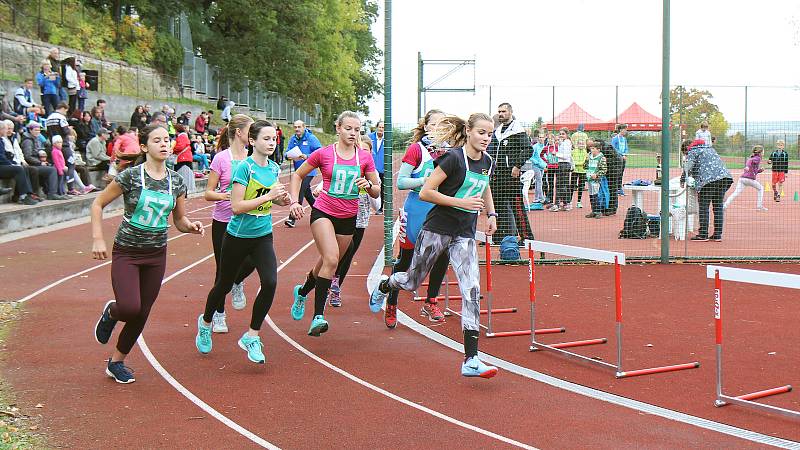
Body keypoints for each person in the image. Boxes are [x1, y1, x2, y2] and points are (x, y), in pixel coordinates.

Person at [369, 113, 499, 379]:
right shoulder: (453, 158)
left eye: (490, 134)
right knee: (411, 282)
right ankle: (387, 284)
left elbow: (485, 187)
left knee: (472, 290)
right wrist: (460, 203)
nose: (486, 138)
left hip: (464, 233)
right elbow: (427, 191)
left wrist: (492, 214)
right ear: (469, 132)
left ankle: (471, 358)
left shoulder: (487, 161)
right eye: (482, 133)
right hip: (437, 229)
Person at [91, 124, 203, 383]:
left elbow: (180, 220)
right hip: (127, 252)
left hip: (156, 255)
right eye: (157, 140)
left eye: (167, 140)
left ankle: (116, 362)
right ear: (144, 146)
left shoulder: (176, 181)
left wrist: (191, 227)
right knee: (130, 307)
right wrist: (98, 238)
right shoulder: (130, 177)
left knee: (142, 312)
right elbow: (98, 203)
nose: (164, 144)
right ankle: (112, 312)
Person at [195, 120, 289, 363]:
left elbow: (272, 199)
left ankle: (252, 335)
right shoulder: (244, 169)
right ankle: (206, 322)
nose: (271, 143)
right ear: (253, 141)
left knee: (269, 282)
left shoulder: (274, 168)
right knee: (223, 284)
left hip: (262, 234)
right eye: (266, 139)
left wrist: (282, 200)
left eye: (273, 139)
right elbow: (236, 207)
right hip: (237, 236)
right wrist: (268, 195)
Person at [288, 111, 380, 336]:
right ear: (338, 128)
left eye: (357, 130)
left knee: (326, 264)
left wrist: (367, 184)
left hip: (349, 217)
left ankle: (302, 292)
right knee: (331, 259)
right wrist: (293, 201)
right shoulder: (324, 153)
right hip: (323, 212)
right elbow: (298, 175)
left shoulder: (364, 158)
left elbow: (377, 191)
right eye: (348, 128)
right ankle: (318, 317)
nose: (353, 133)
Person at [383, 109, 452, 327]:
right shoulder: (417, 149)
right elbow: (401, 182)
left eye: (445, 124)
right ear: (427, 126)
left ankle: (431, 301)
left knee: (442, 254)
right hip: (417, 210)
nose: (440, 128)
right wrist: (425, 180)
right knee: (407, 260)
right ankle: (392, 300)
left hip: (441, 209)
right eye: (436, 124)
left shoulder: (452, 151)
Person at [203, 115, 259, 332]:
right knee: (221, 271)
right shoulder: (221, 159)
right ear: (239, 132)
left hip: (247, 220)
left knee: (253, 260)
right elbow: (208, 192)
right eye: (250, 131)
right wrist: (224, 196)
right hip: (224, 221)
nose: (253, 135)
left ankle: (237, 281)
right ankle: (219, 314)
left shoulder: (253, 158)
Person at [324, 134, 374, 309]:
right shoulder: (344, 167)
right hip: (340, 215)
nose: (361, 153)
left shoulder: (369, 172)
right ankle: (323, 284)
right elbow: (328, 182)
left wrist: (367, 186)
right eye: (360, 149)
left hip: (359, 220)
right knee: (334, 255)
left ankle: (335, 287)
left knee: (347, 256)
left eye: (366, 150)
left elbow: (377, 201)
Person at [487, 103, 533, 243]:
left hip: (511, 175)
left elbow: (528, 150)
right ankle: (499, 236)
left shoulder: (517, 130)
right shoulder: (498, 131)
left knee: (517, 206)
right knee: (497, 206)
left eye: (504, 111)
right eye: (499, 111)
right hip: (497, 175)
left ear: (511, 112)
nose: (501, 114)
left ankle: (527, 237)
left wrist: (517, 166)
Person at [682, 139, 733, 242]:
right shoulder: (710, 149)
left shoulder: (693, 151)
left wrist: (683, 178)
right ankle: (717, 235)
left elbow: (689, 167)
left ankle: (703, 234)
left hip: (707, 180)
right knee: (718, 207)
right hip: (724, 178)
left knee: (704, 206)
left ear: (686, 149)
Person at [284, 120, 322, 228]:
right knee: (308, 195)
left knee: (300, 191)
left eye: (299, 127)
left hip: (309, 170)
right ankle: (320, 212)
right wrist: (288, 156)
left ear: (304, 127)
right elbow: (287, 152)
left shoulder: (311, 138)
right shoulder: (293, 139)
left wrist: (307, 156)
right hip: (298, 171)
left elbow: (319, 151)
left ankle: (292, 218)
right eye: (295, 127)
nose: (297, 129)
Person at [723, 144, 768, 212]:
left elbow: (753, 169)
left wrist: (759, 170)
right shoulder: (758, 158)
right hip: (749, 179)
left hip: (742, 179)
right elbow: (749, 162)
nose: (764, 152)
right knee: (761, 188)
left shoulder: (755, 157)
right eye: (763, 151)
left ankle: (725, 205)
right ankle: (759, 206)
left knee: (735, 193)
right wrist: (747, 166)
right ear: (760, 152)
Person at [550, 127, 574, 211]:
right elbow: (559, 143)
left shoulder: (567, 143)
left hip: (564, 165)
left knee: (560, 185)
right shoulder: (564, 142)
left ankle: (558, 204)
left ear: (567, 135)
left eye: (563, 134)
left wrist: (556, 154)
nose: (561, 135)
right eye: (560, 134)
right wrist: (555, 139)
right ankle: (565, 203)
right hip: (562, 165)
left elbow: (565, 156)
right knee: (563, 185)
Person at [521, 129, 547, 208]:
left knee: (539, 182)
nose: (540, 138)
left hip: (542, 166)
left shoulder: (544, 146)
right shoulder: (534, 146)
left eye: (542, 137)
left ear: (544, 138)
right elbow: (531, 157)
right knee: (539, 181)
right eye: (539, 137)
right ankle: (541, 198)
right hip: (536, 166)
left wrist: (544, 164)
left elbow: (544, 157)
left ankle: (536, 198)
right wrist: (537, 163)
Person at [583, 140, 608, 218]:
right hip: (589, 178)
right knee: (591, 194)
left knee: (596, 195)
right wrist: (586, 162)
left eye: (594, 148)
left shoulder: (601, 158)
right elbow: (585, 166)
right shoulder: (589, 156)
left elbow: (604, 170)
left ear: (598, 149)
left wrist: (597, 175)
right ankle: (593, 211)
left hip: (596, 179)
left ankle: (598, 211)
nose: (592, 150)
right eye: (591, 148)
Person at [570, 125, 589, 208]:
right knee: (572, 185)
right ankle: (569, 201)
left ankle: (578, 201)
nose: (582, 144)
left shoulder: (585, 152)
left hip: (582, 171)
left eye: (583, 143)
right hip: (575, 170)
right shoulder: (574, 151)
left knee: (581, 187)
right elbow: (572, 160)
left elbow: (586, 161)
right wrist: (577, 164)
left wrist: (580, 163)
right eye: (580, 143)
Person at [369, 120, 385, 214]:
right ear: (377, 127)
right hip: (371, 168)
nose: (381, 129)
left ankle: (380, 208)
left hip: (382, 168)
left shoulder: (388, 139)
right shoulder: (370, 137)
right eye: (380, 127)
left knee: (382, 189)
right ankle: (368, 206)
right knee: (368, 187)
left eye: (383, 128)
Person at [611, 123, 629, 195]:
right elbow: (613, 148)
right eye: (625, 129)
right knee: (617, 174)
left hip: (623, 159)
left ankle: (619, 189)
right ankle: (615, 189)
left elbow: (626, 148)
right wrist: (621, 155)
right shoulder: (615, 139)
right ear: (621, 130)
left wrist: (625, 154)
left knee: (621, 174)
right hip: (617, 159)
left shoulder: (624, 139)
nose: (626, 131)